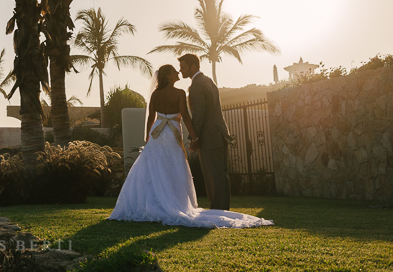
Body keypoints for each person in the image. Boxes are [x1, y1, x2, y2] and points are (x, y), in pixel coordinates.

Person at [108, 64, 272, 228]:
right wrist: (195, 137)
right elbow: (185, 116)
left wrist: (147, 136)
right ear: (168, 76)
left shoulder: (156, 94)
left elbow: (151, 117)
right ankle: (175, 202)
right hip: (172, 134)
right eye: (174, 71)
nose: (178, 72)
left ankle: (154, 202)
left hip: (157, 134)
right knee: (174, 167)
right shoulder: (179, 93)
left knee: (156, 167)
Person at [179, 53, 233, 210]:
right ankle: (223, 209)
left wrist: (194, 138)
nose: (180, 70)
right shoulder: (208, 81)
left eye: (183, 67)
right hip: (220, 134)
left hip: (210, 137)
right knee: (221, 175)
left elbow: (199, 115)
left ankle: (218, 210)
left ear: (193, 67)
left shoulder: (197, 85)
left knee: (213, 176)